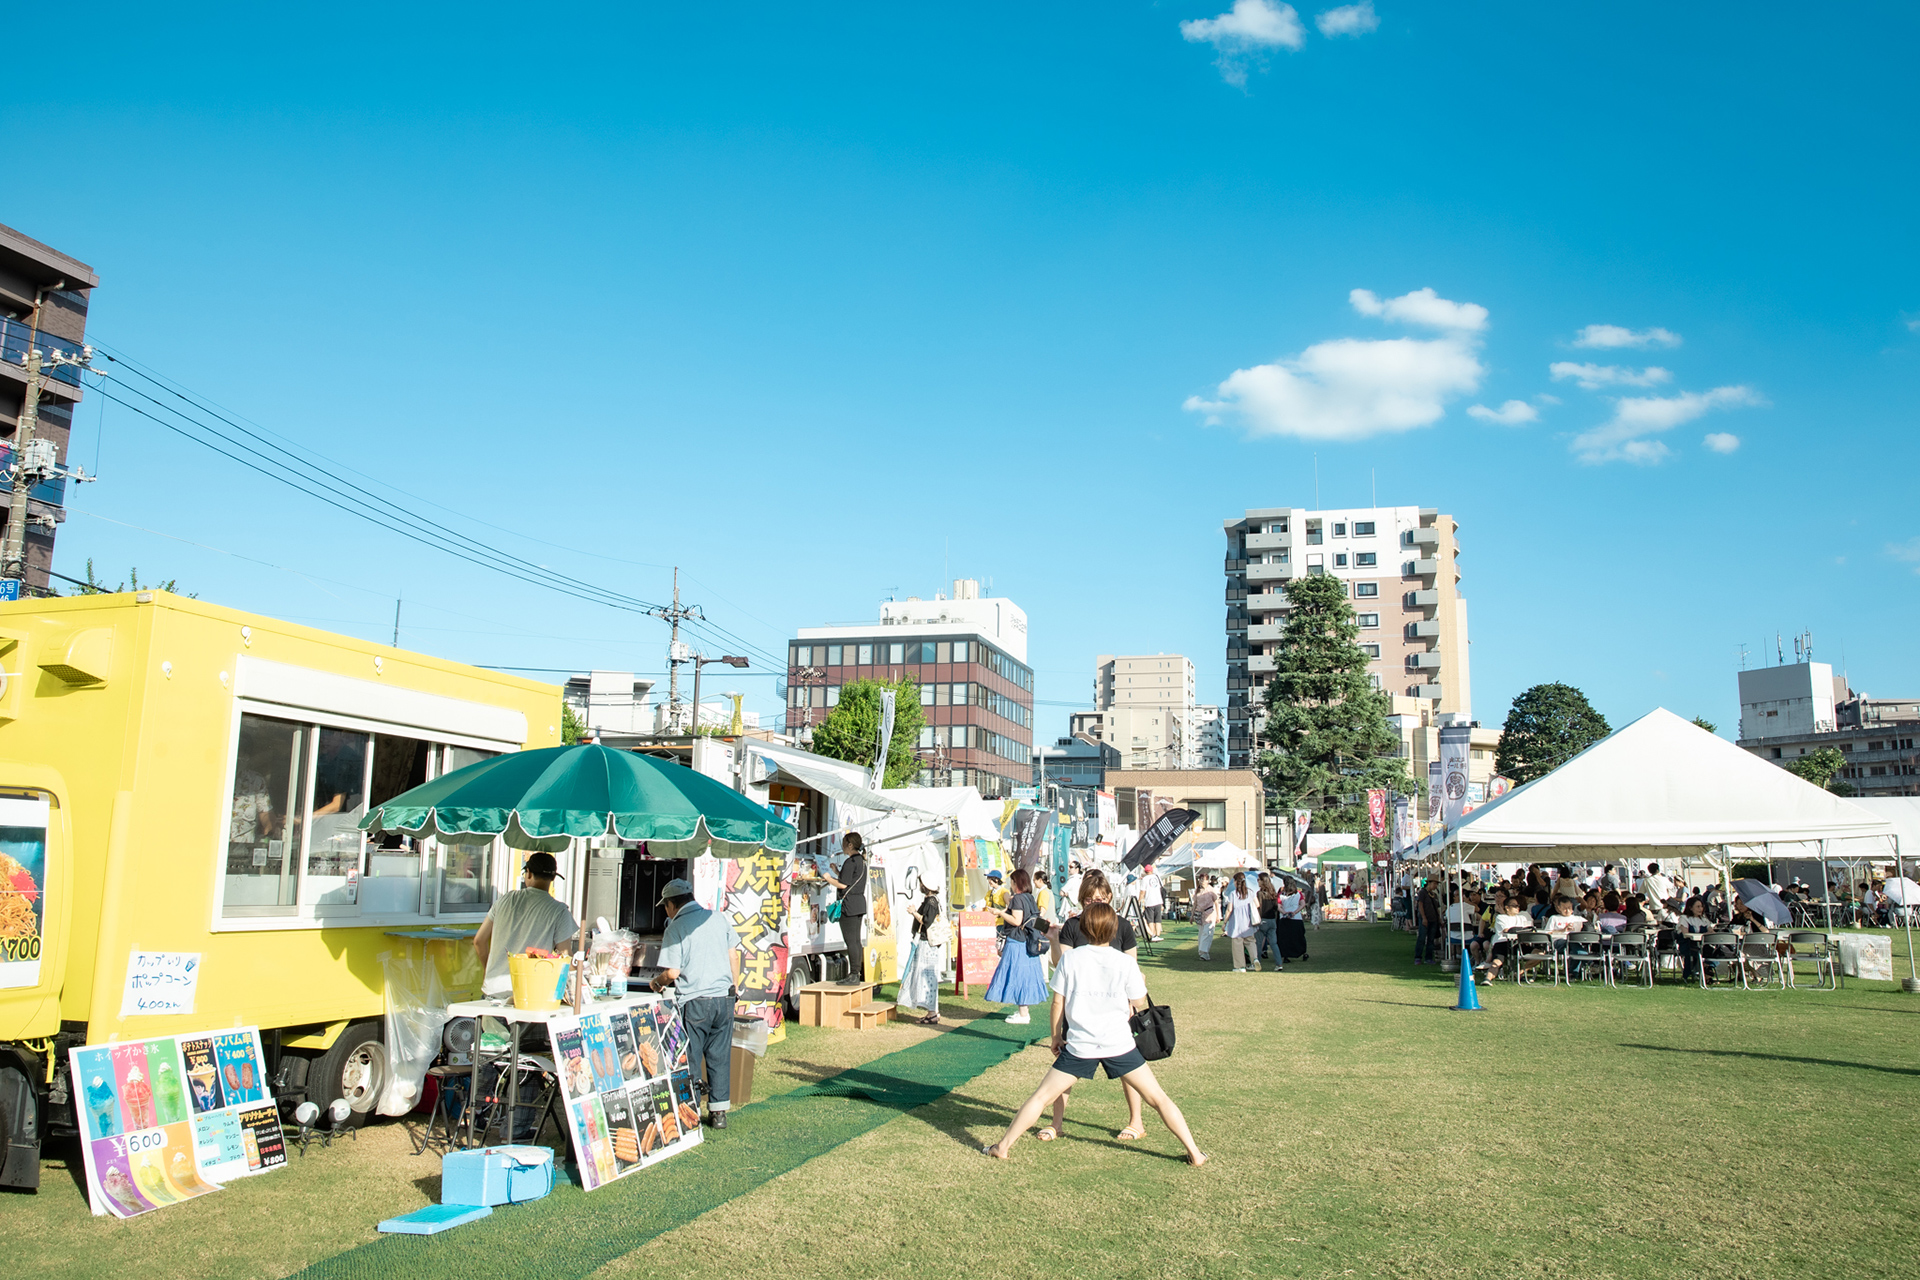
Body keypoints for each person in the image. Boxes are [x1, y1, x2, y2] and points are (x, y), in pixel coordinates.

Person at [983, 903, 1205, 1167]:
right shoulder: (1125, 962)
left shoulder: (1071, 959)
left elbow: (1058, 1003)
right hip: (1119, 1043)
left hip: (1080, 1045)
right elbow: (1139, 1001)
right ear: (1114, 930)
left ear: (1084, 929)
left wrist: (1056, 1037)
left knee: (1041, 1097)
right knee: (1158, 1098)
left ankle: (1003, 1147)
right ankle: (1195, 1152)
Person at [1042, 870, 1145, 1142]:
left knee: (1129, 1069)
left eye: (1100, 898)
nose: (1095, 904)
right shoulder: (1073, 926)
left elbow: (1132, 964)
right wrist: (1054, 940)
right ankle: (1056, 1123)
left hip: (1115, 1009)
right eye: (1089, 900)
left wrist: (1133, 1004)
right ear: (1081, 901)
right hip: (1080, 1007)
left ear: (1110, 897)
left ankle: (1136, 1121)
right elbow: (1060, 964)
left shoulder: (1121, 926)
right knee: (1064, 1069)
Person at [650, 876, 743, 1130]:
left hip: (695, 1001)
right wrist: (734, 989)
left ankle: (690, 1110)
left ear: (671, 905)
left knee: (690, 1057)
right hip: (724, 997)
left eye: (665, 906)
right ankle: (719, 1113)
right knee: (720, 1055)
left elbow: (672, 973)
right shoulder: (717, 917)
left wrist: (657, 982)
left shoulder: (676, 927)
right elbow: (733, 954)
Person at [473, 852, 581, 996]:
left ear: (528, 874)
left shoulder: (504, 900)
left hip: (493, 989)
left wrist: (491, 969)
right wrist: (581, 976)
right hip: (529, 993)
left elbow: (479, 941)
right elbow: (565, 956)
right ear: (554, 877)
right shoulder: (558, 910)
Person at [985, 868, 1047, 1023]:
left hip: (1017, 941)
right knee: (1024, 976)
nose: (1010, 884)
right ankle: (1023, 1011)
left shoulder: (1018, 899)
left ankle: (1023, 1014)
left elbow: (1016, 920)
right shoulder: (1029, 897)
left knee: (1016, 976)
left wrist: (999, 913)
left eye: (1012, 881)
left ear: (1016, 882)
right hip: (1027, 941)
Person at [821, 833, 871, 986]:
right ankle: (856, 973)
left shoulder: (850, 862)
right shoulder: (861, 861)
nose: (842, 846)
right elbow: (851, 880)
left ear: (850, 845)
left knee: (851, 941)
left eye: (844, 843)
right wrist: (837, 872)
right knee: (855, 940)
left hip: (849, 905)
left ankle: (854, 974)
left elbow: (843, 885)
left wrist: (828, 878)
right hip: (859, 903)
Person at [904, 878, 946, 1026]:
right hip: (928, 943)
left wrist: (914, 912)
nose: (920, 886)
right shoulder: (932, 900)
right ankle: (932, 1011)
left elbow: (926, 921)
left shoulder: (931, 902)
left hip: (927, 943)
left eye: (922, 883)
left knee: (927, 977)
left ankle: (932, 1012)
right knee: (927, 977)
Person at [1225, 873, 1260, 972]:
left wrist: (1225, 923)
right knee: (1251, 942)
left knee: (1237, 945)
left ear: (1236, 882)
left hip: (1237, 922)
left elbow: (1229, 909)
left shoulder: (1233, 894)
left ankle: (1240, 966)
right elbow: (1257, 904)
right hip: (1248, 922)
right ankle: (1255, 959)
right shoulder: (1250, 892)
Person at [1255, 875, 1285, 972]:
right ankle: (1279, 963)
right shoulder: (1273, 893)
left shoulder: (1260, 893)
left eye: (1259, 880)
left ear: (1262, 881)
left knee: (1258, 943)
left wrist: (1257, 921)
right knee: (1274, 943)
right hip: (1272, 920)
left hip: (1263, 919)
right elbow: (1276, 907)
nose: (1257, 881)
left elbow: (1259, 907)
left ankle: (1257, 963)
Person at [1277, 878, 1309, 963]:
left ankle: (1286, 955)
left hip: (1284, 918)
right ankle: (1303, 952)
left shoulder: (1281, 894)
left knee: (1285, 938)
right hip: (1296, 918)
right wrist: (1295, 912)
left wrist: (1285, 913)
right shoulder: (1298, 893)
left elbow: (1278, 906)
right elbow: (1302, 904)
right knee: (1299, 936)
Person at [1192, 875, 1220, 960]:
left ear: (1207, 881)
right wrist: (1192, 915)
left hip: (1210, 913)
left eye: (1203, 880)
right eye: (1200, 879)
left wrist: (1218, 915)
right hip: (1200, 914)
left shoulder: (1211, 890)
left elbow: (1216, 903)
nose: (1201, 881)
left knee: (1207, 933)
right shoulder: (1198, 891)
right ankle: (1202, 952)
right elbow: (1195, 904)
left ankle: (1204, 952)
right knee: (1201, 933)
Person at [1136, 865, 1165, 940]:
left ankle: (1153, 935)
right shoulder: (1157, 877)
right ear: (1152, 870)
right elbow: (1161, 888)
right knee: (1158, 920)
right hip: (1158, 901)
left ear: (1145, 871)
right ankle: (1158, 935)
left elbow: (1142, 891)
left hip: (1149, 902)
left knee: (1150, 920)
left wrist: (1139, 900)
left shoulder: (1145, 879)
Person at [1413, 882, 1439, 965]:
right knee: (1422, 938)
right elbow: (1420, 905)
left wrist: (1439, 919)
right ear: (1430, 883)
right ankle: (1418, 957)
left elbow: (1436, 908)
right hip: (1425, 919)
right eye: (1435, 884)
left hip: (1433, 919)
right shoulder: (1422, 893)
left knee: (1431, 940)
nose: (1436, 886)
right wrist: (1424, 917)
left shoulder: (1434, 895)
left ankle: (1429, 958)